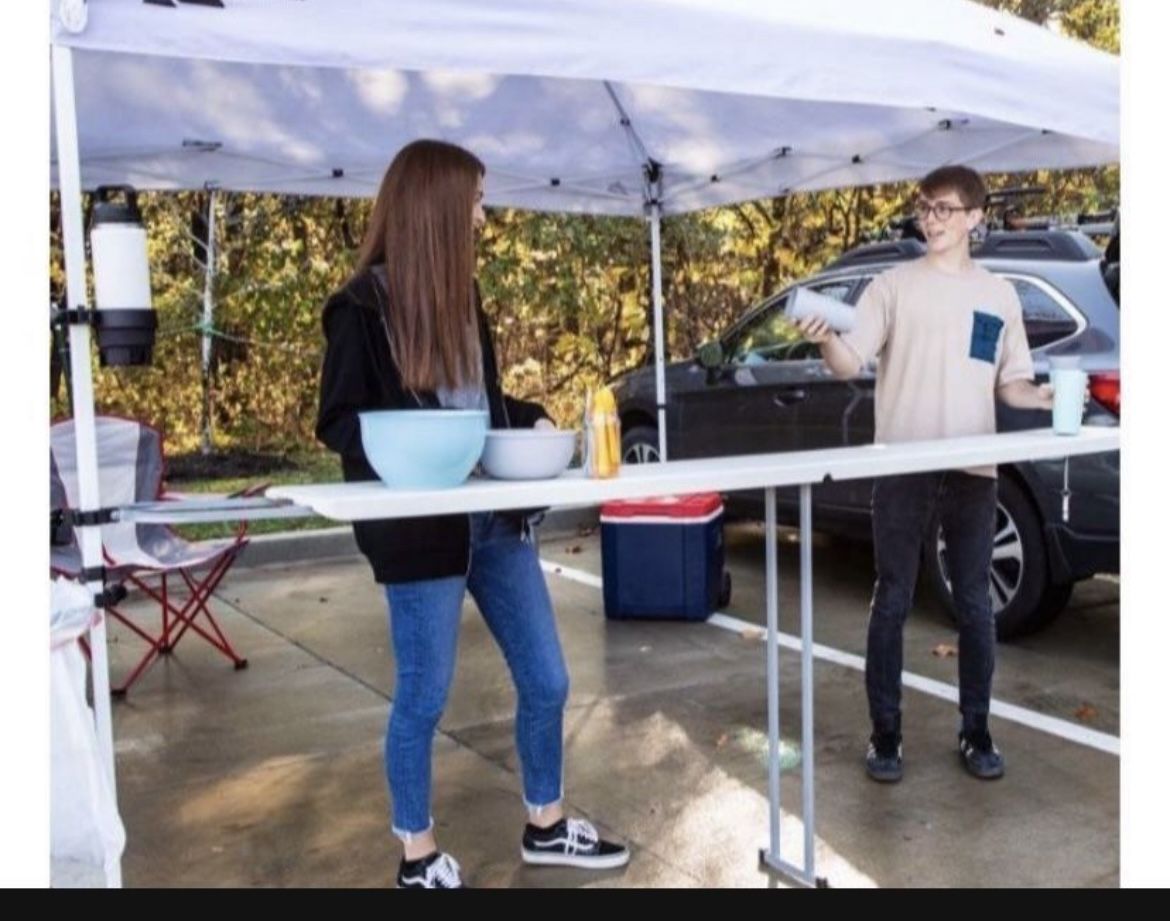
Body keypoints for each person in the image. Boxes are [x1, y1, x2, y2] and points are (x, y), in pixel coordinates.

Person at [316, 139, 629, 888]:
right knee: (423, 694)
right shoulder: (358, 307)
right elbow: (339, 421)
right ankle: (417, 857)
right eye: (476, 202)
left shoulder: (465, 300)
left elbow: (480, 408)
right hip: (420, 537)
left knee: (549, 679)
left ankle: (546, 825)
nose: (484, 216)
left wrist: (535, 421)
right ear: (437, 209)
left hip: (494, 523)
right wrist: (418, 448)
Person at [795, 166, 1054, 784]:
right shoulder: (892, 286)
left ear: (973, 218)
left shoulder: (997, 295)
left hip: (972, 467)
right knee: (892, 599)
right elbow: (847, 361)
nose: (930, 219)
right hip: (904, 463)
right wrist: (825, 338)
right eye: (925, 208)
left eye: (944, 209)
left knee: (974, 604)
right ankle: (885, 737)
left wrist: (1043, 400)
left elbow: (1009, 382)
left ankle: (977, 730)